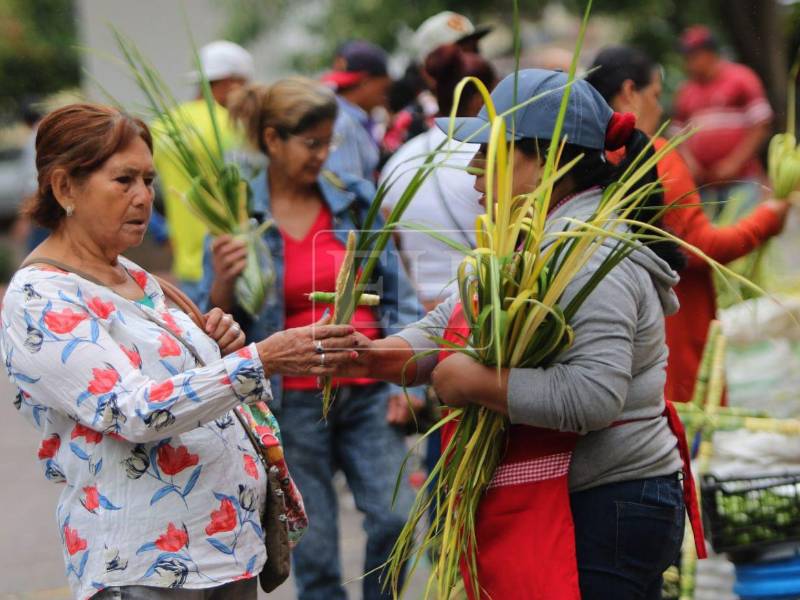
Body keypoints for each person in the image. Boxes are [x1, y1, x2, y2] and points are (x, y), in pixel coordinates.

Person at [334, 69, 707, 599]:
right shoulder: (534, 241)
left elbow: (593, 397)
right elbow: (452, 321)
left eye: (491, 153)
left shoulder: (589, 253)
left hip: (608, 505)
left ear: (549, 163)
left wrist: (474, 383)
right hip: (583, 502)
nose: (474, 173)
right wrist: (374, 356)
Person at [1, 103, 360, 599]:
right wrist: (257, 361)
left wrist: (218, 344)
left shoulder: (135, 276)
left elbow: (191, 382)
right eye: (123, 180)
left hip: (222, 551)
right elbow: (133, 411)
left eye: (148, 180)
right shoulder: (40, 297)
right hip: (145, 566)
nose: (144, 197)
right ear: (65, 188)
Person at [201, 77, 423, 600]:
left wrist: (406, 380)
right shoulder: (237, 214)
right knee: (316, 549)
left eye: (329, 143)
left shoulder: (354, 201)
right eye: (311, 143)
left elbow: (398, 297)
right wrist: (221, 282)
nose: (323, 155)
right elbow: (209, 325)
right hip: (291, 407)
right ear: (273, 139)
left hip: (368, 388)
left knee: (397, 518)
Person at [587, 45, 789, 405]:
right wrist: (768, 218)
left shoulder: (583, 157)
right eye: (654, 95)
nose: (660, 107)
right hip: (668, 337)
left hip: (606, 344)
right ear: (630, 92)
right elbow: (699, 247)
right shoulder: (656, 156)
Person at [381, 44, 497, 309]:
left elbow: (391, 245)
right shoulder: (493, 156)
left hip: (418, 316)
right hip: (482, 312)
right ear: (481, 99)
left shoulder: (398, 161)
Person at [153, 40, 254, 304]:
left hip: (186, 264)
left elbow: (136, 185)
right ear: (232, 82)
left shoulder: (163, 125)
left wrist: (161, 232)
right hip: (232, 264)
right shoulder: (232, 126)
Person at [671, 25, 773, 217]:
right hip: (703, 186)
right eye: (686, 58)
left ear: (709, 54)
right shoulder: (686, 91)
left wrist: (734, 162)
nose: (688, 64)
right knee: (710, 241)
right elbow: (677, 136)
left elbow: (761, 125)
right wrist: (690, 162)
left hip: (742, 180)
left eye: (693, 57)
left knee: (744, 235)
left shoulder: (741, 78)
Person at [383, 11, 493, 153]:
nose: (471, 62)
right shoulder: (410, 124)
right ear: (426, 68)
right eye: (456, 58)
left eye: (475, 51)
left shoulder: (501, 104)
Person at [322, 40, 392, 182]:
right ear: (366, 82)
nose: (384, 96)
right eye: (383, 88)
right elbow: (345, 190)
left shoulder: (343, 116)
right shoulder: (342, 122)